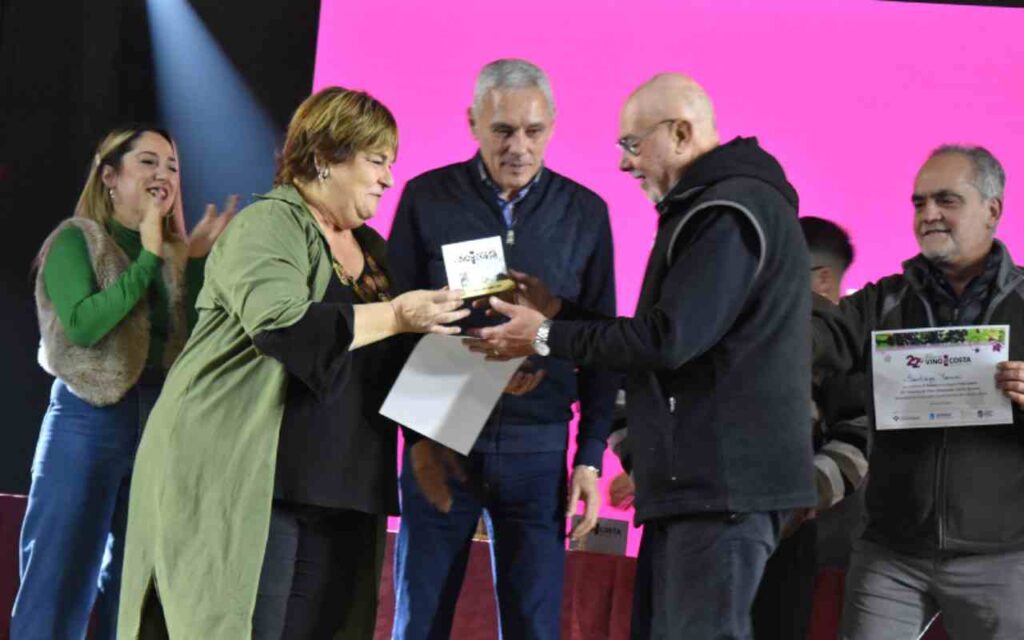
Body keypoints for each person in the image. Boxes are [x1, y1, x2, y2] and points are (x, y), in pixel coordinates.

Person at [469, 72, 816, 639]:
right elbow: (666, 334)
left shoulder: (727, 211)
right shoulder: (715, 206)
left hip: (722, 490)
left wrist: (544, 336)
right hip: (698, 488)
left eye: (632, 144)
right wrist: (558, 313)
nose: (624, 163)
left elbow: (666, 340)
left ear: (680, 133)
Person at [116, 87, 470, 638]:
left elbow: (392, 359)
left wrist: (480, 377)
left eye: (390, 164)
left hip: (344, 489)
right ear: (325, 158)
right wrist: (398, 315)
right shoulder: (268, 224)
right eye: (376, 161)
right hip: (257, 484)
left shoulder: (373, 252)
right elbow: (284, 327)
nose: (388, 179)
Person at [388, 58, 618, 640]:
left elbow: (601, 345)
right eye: (503, 130)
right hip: (439, 430)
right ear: (473, 123)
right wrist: (412, 436)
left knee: (534, 627)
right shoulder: (426, 197)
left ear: (553, 125)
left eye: (533, 131)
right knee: (418, 622)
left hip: (537, 445)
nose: (519, 146)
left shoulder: (586, 213)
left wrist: (590, 456)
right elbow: (393, 325)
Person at [11, 125, 235, 640]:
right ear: (110, 177)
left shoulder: (174, 252)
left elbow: (191, 341)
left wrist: (194, 263)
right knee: (60, 577)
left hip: (158, 421)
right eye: (148, 162)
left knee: (136, 584)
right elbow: (84, 326)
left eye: (172, 166)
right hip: (87, 419)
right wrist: (148, 258)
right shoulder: (76, 239)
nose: (164, 175)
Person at [811, 145, 1024, 640]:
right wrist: (765, 313)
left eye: (946, 200)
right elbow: (818, 336)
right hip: (891, 556)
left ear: (992, 209)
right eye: (919, 202)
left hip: (1005, 558)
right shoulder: (883, 301)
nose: (928, 214)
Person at [750, 216, 870, 640]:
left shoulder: (842, 344)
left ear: (820, 279)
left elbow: (857, 432)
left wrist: (803, 498)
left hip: (793, 534)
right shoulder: (729, 319)